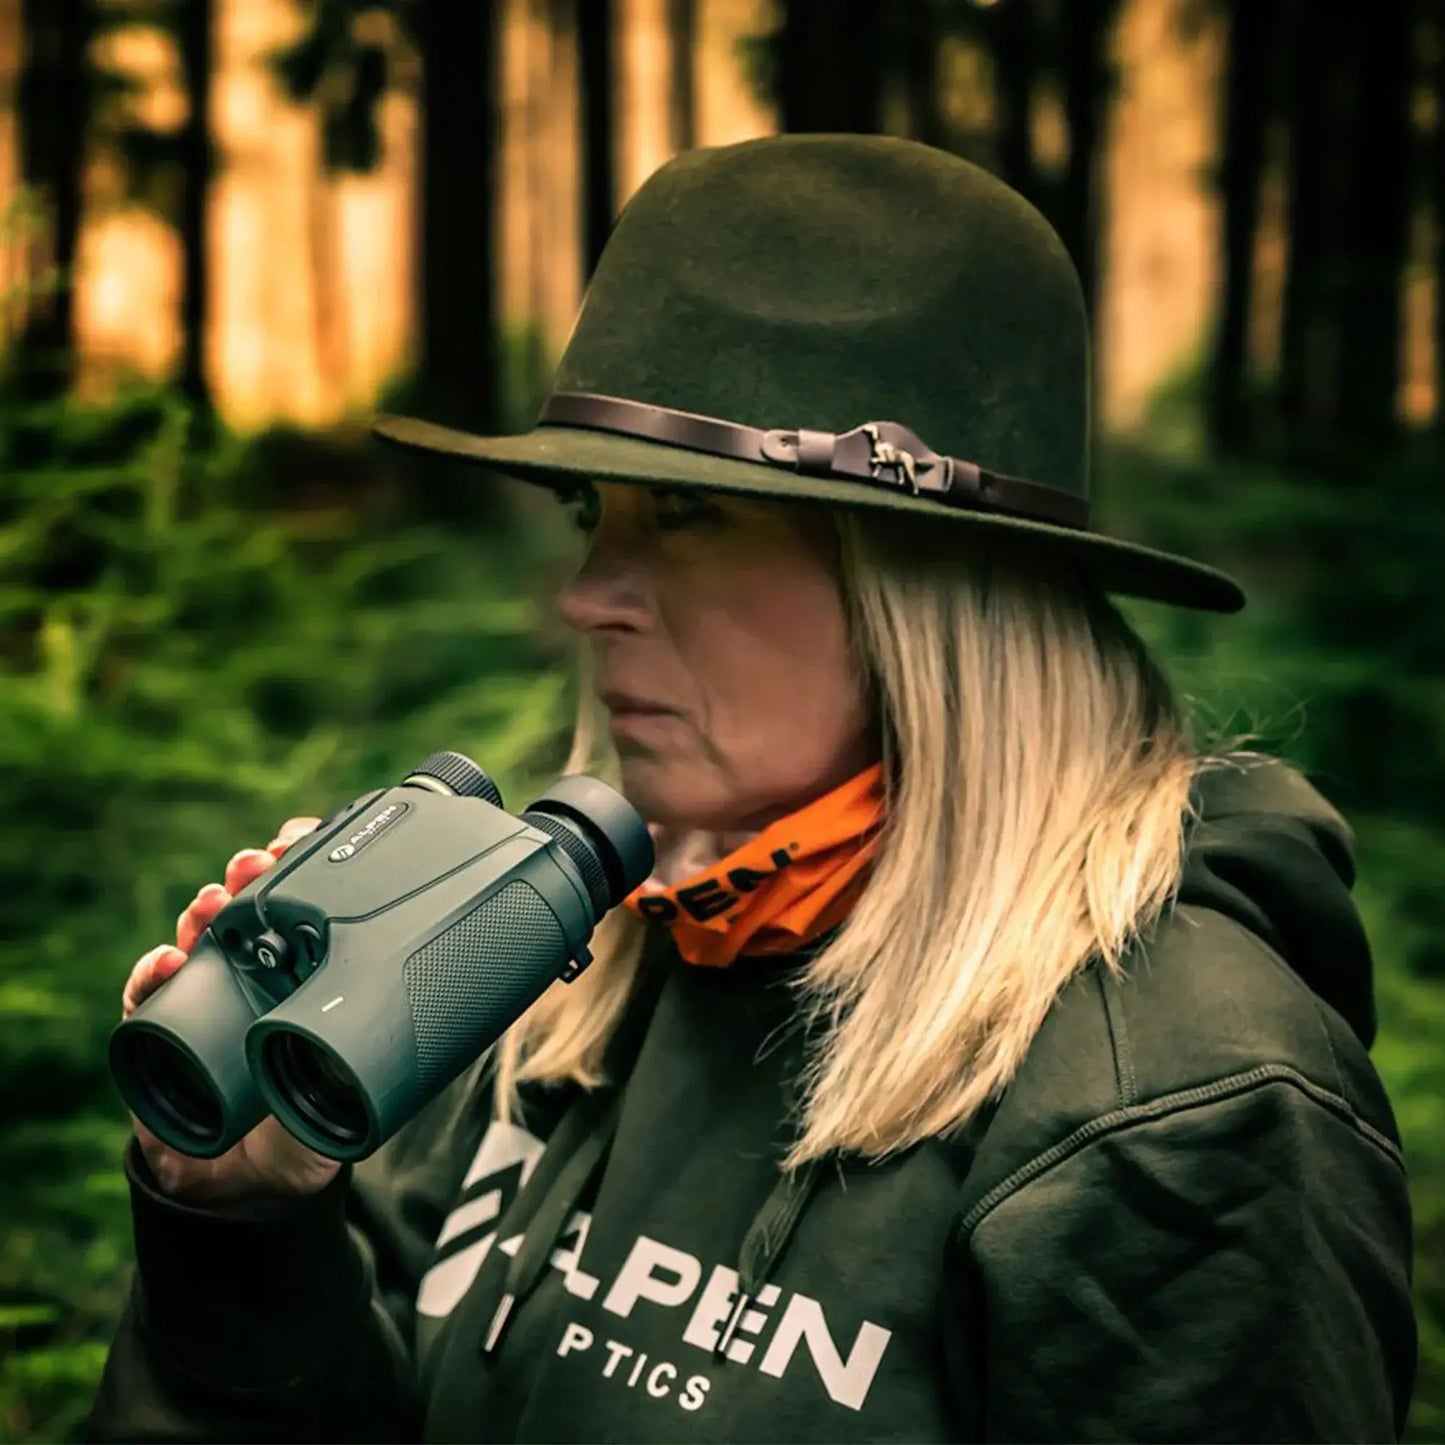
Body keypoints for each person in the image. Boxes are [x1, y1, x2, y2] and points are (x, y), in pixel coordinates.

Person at [85, 134, 1415, 1443]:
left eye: (688, 515)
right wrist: (246, 1229)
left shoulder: (1185, 1106)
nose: (588, 597)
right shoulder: (560, 976)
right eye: (588, 514)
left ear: (926, 591)